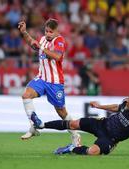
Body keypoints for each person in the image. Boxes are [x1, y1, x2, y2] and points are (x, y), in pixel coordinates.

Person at [31, 92, 129, 156]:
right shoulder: (127, 102)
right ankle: (42, 125)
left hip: (110, 139)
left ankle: (72, 149)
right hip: (102, 124)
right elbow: (116, 107)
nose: (127, 104)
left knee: (92, 152)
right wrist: (99, 106)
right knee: (72, 123)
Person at [17, 18, 81, 146]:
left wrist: (41, 47)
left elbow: (57, 56)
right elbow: (32, 44)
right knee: (26, 95)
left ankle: (75, 135)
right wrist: (24, 33)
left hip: (55, 82)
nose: (48, 34)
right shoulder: (43, 40)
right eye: (46, 31)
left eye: (51, 32)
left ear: (57, 31)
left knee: (61, 111)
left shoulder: (60, 41)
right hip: (41, 78)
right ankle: (33, 127)